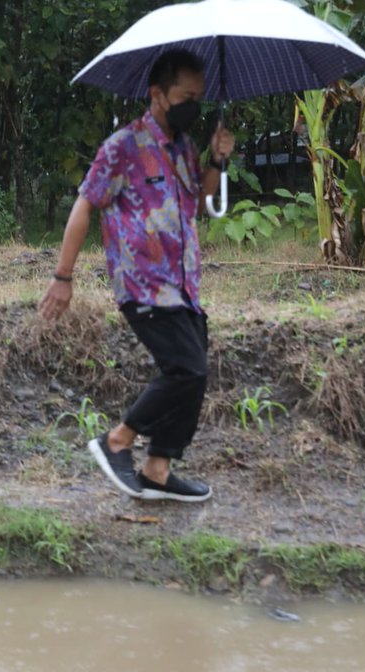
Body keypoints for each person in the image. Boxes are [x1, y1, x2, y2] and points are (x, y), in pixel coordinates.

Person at [39, 50, 234, 502]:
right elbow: (85, 204)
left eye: (199, 98)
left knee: (191, 371)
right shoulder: (122, 147)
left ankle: (158, 470)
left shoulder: (185, 146)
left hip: (184, 285)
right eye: (186, 96)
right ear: (158, 94)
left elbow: (201, 204)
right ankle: (117, 441)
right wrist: (63, 277)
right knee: (188, 368)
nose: (194, 105)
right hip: (144, 283)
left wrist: (218, 161)